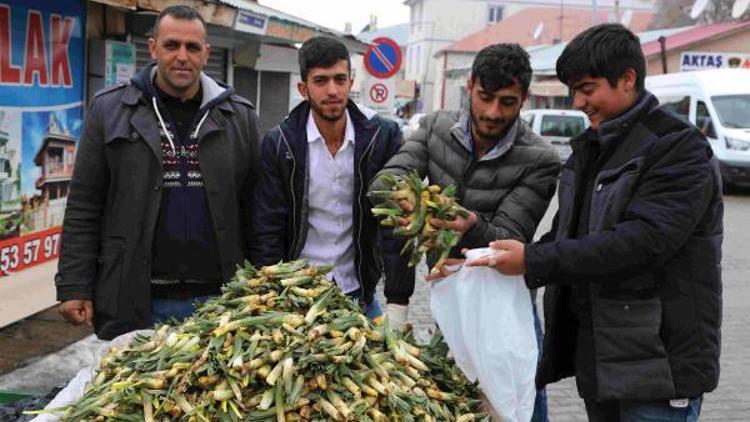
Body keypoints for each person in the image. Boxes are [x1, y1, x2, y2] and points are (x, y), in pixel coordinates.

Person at [467, 24, 723, 422]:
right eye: (573, 90)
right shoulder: (591, 147)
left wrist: (534, 261)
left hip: (658, 366)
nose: (579, 101)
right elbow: (565, 235)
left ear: (627, 78)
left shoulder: (678, 147)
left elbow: (643, 241)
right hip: (602, 362)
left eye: (587, 88)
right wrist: (483, 252)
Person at [370, 43, 560, 422]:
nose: (492, 113)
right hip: (451, 301)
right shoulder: (435, 127)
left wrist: (470, 226)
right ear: (470, 86)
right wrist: (407, 198)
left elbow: (509, 235)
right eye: (485, 98)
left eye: (507, 102)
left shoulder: (540, 159)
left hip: (504, 306)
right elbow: (385, 181)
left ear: (523, 97)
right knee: (459, 404)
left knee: (517, 405)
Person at [56, 5, 261, 340]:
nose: (182, 56)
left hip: (221, 304)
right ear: (152, 48)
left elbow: (256, 211)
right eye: (171, 45)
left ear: (206, 53)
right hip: (136, 301)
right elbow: (84, 205)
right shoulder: (110, 111)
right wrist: (74, 283)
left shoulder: (239, 117)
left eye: (192, 47)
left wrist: (261, 286)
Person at [249, 36, 414, 328]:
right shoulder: (280, 143)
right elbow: (267, 227)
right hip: (298, 297)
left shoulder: (382, 137)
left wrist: (398, 300)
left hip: (359, 293)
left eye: (340, 79)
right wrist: (271, 296)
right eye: (321, 81)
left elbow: (396, 225)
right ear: (304, 88)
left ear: (351, 81)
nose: (333, 90)